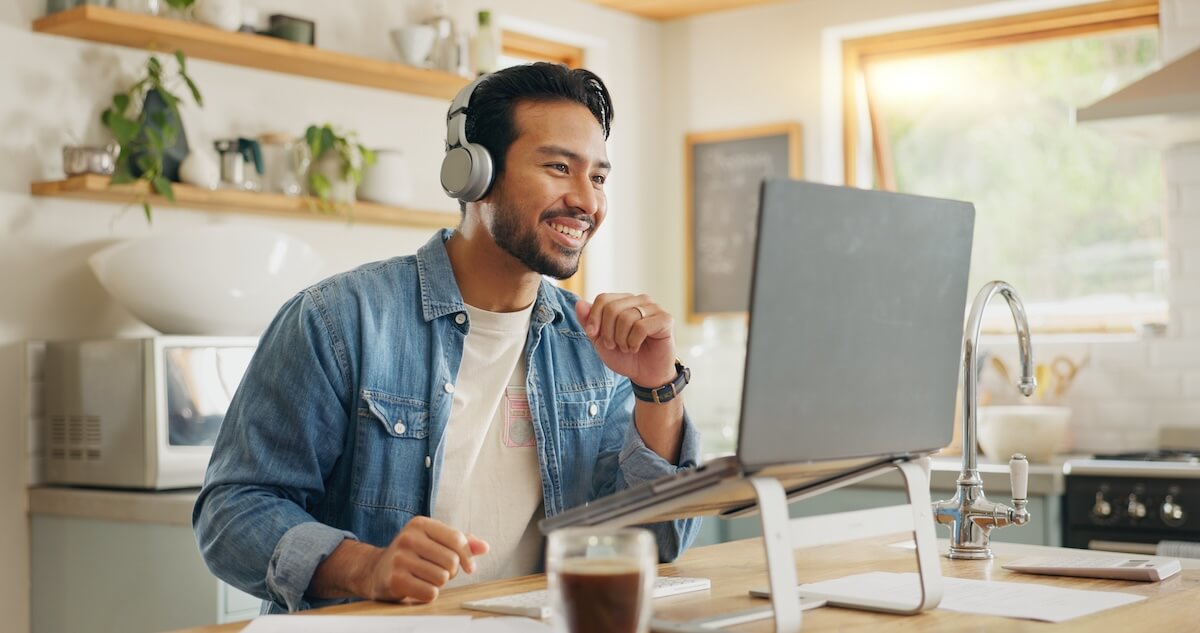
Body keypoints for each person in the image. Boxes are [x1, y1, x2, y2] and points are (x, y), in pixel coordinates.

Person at [193, 62, 702, 614]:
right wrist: (366, 567)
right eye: (560, 167)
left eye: (598, 177)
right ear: (473, 175)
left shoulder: (593, 344)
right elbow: (232, 513)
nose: (587, 201)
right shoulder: (339, 320)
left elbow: (655, 545)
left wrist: (658, 391)